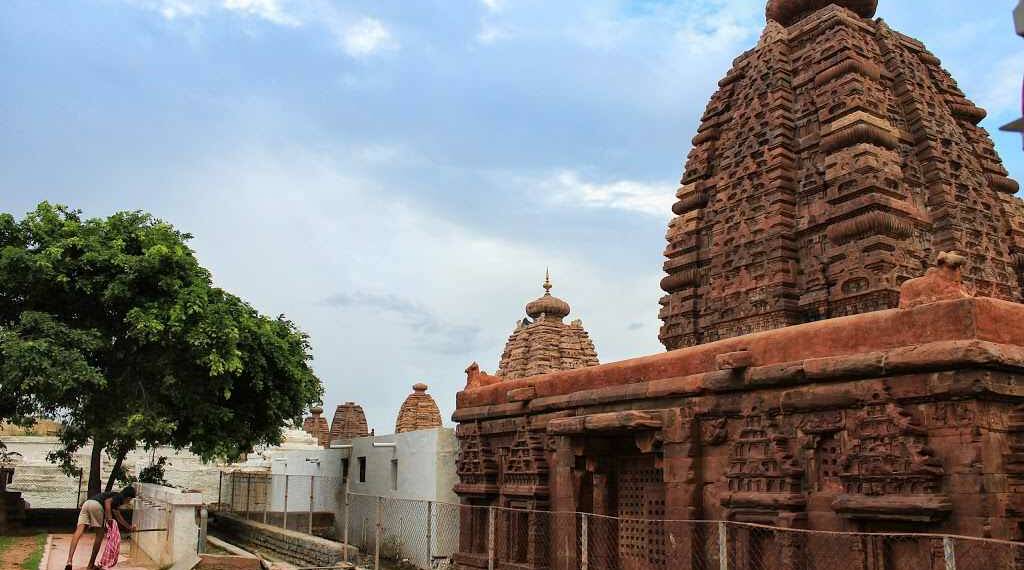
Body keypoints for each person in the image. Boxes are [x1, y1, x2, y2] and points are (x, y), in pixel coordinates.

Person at [65, 486, 137, 570]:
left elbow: (118, 515)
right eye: (130, 500)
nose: (129, 502)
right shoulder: (119, 497)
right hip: (97, 506)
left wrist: (129, 527)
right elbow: (107, 502)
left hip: (87, 503)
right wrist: (109, 520)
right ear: (128, 497)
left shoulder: (115, 497)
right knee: (100, 535)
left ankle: (69, 561)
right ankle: (90, 565)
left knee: (79, 531)